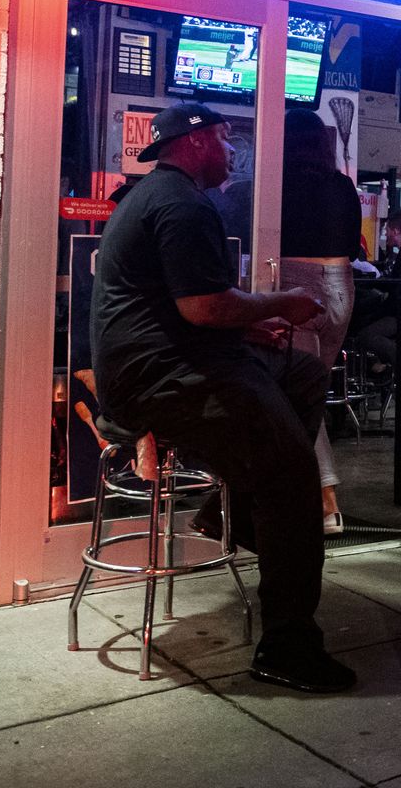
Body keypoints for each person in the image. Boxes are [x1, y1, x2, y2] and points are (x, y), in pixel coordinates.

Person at [91, 102, 354, 692]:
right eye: (224, 138)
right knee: (291, 474)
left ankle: (228, 509)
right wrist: (280, 302)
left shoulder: (160, 197)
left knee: (303, 375)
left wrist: (246, 326)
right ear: (197, 142)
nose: (232, 150)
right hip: (166, 382)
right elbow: (203, 307)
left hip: (173, 364)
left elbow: (183, 307)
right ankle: (287, 645)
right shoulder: (181, 205)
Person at [278, 108, 363, 536]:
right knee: (307, 393)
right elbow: (355, 245)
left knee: (297, 396)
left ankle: (325, 500)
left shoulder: (276, 184)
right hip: (341, 286)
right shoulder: (342, 186)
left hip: (296, 284)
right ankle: (307, 494)